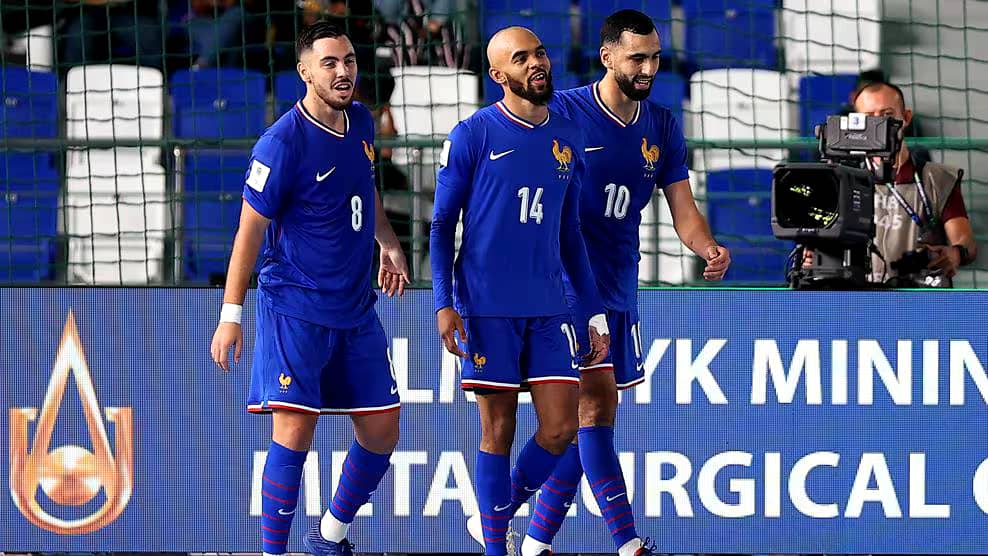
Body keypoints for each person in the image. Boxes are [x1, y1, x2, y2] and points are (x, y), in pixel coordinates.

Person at [517, 10, 731, 556]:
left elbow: (683, 210)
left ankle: (531, 543)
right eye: (638, 57)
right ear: (607, 56)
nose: (649, 67)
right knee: (589, 409)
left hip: (619, 286)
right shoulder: (562, 112)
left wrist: (706, 247)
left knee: (589, 422)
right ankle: (628, 542)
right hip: (566, 286)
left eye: (655, 57)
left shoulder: (660, 125)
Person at [209, 21, 411, 556]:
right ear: (305, 72)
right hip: (295, 306)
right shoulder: (281, 143)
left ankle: (330, 535)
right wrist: (231, 313)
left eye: (348, 61)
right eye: (330, 63)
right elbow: (248, 231)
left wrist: (386, 240)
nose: (343, 71)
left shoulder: (362, 121)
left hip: (356, 306)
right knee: (294, 438)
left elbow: (363, 188)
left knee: (383, 431)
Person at [430, 26, 612, 556]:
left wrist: (594, 314)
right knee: (499, 431)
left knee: (559, 428)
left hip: (549, 303)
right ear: (498, 75)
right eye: (520, 58)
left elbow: (570, 232)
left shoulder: (569, 134)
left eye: (539, 53)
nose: (536, 63)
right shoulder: (473, 134)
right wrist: (444, 302)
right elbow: (441, 226)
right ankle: (494, 547)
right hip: (486, 305)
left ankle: (493, 513)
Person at [805, 80, 977, 286]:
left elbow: (966, 243)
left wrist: (955, 254)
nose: (879, 126)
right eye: (869, 118)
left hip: (919, 298)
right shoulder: (839, 179)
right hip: (857, 296)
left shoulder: (938, 178)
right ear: (855, 124)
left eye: (887, 115)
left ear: (906, 118)